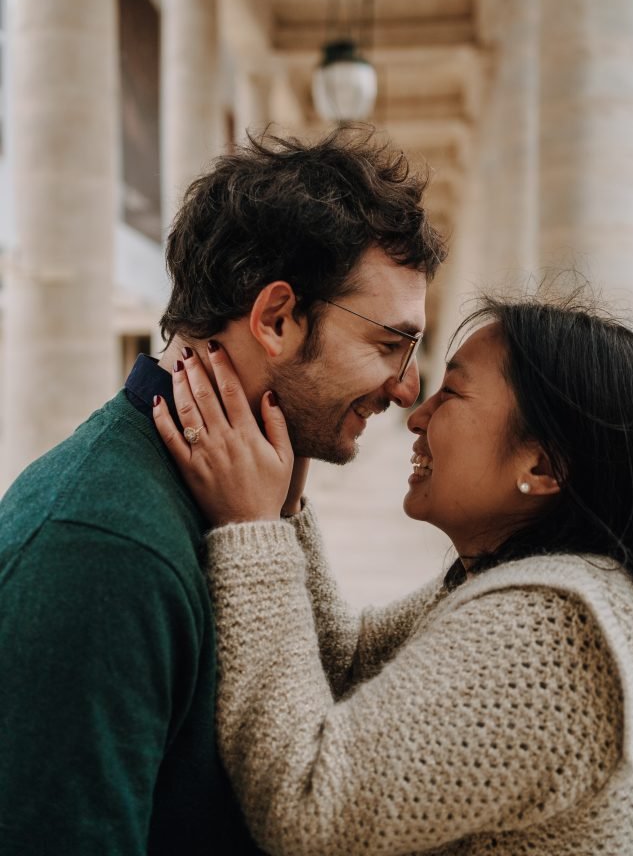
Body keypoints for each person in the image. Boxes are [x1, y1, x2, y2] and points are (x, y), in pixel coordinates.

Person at [0, 128, 445, 855]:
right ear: (275, 319)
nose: (406, 389)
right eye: (388, 345)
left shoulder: (235, 503)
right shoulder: (102, 551)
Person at [155, 293, 633, 856]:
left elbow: (310, 803)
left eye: (450, 393)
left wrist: (251, 529)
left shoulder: (558, 631)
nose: (416, 415)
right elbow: (349, 666)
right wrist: (282, 504)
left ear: (543, 465)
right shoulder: (527, 577)